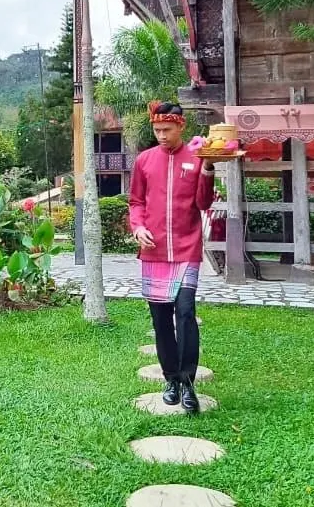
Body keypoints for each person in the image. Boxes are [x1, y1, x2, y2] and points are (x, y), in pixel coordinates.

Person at [128, 101, 216, 414]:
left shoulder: (196, 157)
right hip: (153, 251)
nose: (161, 135)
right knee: (161, 319)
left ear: (181, 127)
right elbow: (136, 201)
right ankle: (171, 380)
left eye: (167, 129)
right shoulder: (144, 160)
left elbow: (204, 203)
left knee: (186, 312)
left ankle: (188, 381)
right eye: (157, 130)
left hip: (187, 247)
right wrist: (137, 227)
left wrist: (207, 168)